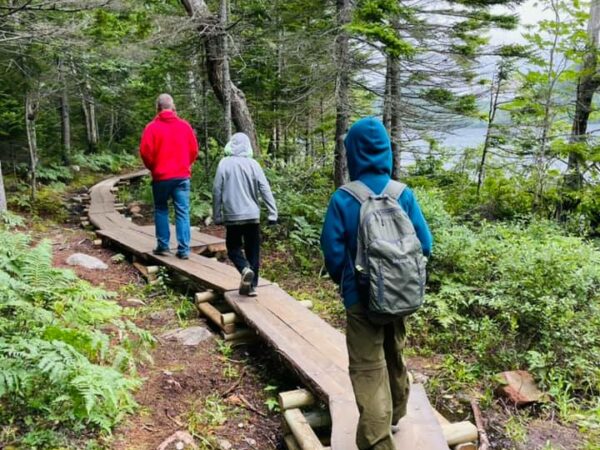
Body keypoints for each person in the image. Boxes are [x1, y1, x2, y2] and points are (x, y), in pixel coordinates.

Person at [320, 118, 432, 450]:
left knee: (368, 367)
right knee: (394, 352)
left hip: (360, 298)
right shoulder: (403, 194)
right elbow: (425, 244)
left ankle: (376, 440)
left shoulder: (344, 198)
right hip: (399, 294)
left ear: (353, 152)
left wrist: (346, 283)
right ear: (385, 151)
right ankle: (396, 412)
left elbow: (332, 250)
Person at [212, 132, 278, 296]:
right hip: (252, 216)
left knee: (233, 247)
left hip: (233, 216)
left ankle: (243, 268)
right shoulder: (253, 164)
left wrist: (217, 214)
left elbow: (216, 191)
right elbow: (265, 188)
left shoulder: (224, 164)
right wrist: (272, 213)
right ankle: (252, 286)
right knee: (253, 250)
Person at [139, 93, 199, 259]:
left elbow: (145, 153)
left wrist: (154, 167)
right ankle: (184, 249)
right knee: (182, 212)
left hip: (161, 177)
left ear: (158, 108)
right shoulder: (184, 126)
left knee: (161, 209)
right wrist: (186, 164)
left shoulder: (151, 128)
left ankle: (163, 246)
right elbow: (194, 150)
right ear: (173, 107)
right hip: (181, 176)